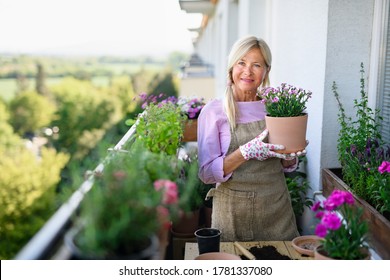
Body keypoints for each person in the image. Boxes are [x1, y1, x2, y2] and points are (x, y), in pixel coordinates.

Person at [197, 35, 306, 242]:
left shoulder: (275, 107)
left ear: (266, 71)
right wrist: (244, 153)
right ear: (231, 67)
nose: (247, 71)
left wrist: (291, 156)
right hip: (233, 213)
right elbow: (206, 174)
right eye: (241, 63)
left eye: (256, 65)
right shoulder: (214, 111)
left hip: (277, 208)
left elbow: (284, 163)